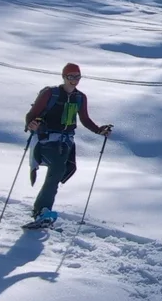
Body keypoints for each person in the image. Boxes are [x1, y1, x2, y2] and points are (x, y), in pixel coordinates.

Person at [24, 62, 112, 224]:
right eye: (70, 77)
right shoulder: (50, 94)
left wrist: (99, 130)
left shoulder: (80, 97)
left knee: (58, 172)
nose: (74, 80)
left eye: (77, 77)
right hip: (46, 140)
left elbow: (84, 119)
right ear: (64, 77)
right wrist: (31, 124)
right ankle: (42, 210)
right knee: (57, 169)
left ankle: (42, 211)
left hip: (66, 143)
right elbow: (32, 114)